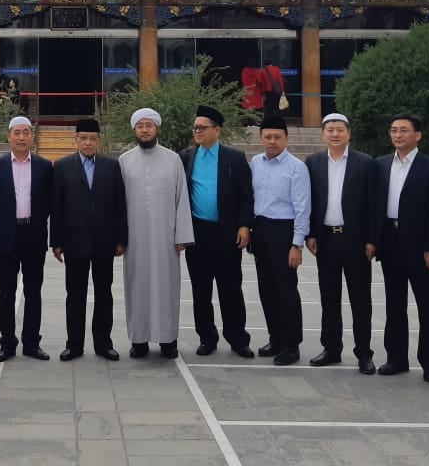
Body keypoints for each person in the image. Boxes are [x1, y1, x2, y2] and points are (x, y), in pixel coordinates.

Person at [373, 113, 429, 383]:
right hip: (390, 241)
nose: (397, 135)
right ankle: (396, 358)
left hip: (420, 245)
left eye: (404, 130)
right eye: (393, 130)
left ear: (418, 135)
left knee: (427, 305)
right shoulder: (380, 165)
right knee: (394, 303)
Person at [304, 112, 378, 374]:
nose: (335, 134)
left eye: (340, 129)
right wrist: (310, 234)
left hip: (356, 240)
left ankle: (364, 353)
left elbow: (373, 204)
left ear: (348, 133)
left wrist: (372, 239)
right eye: (330, 129)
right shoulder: (312, 162)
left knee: (360, 299)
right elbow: (309, 202)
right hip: (325, 240)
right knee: (329, 298)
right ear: (323, 134)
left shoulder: (365, 163)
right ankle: (331, 348)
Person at [180, 105, 254, 358]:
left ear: (217, 130)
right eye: (195, 128)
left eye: (202, 127)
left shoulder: (234, 157)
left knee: (231, 288)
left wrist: (245, 225)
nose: (197, 132)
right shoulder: (187, 156)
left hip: (227, 232)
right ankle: (207, 337)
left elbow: (246, 194)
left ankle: (238, 338)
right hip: (197, 233)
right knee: (201, 290)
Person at [50, 118, 128, 362]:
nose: (87, 142)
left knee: (104, 293)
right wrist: (56, 241)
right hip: (74, 240)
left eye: (92, 138)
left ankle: (103, 343)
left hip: (105, 240)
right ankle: (74, 344)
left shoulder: (111, 166)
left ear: (98, 140)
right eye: (83, 138)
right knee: (75, 294)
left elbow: (120, 204)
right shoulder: (62, 167)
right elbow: (57, 206)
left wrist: (121, 238)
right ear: (76, 140)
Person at [120, 108, 194, 359]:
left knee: (167, 287)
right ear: (134, 130)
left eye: (149, 125)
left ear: (157, 129)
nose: (144, 129)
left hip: (166, 238)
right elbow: (118, 203)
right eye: (140, 125)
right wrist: (119, 237)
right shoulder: (124, 161)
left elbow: (182, 197)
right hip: (135, 239)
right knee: (136, 286)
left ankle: (167, 339)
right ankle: (138, 340)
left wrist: (182, 234)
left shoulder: (173, 160)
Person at [0, 116, 54, 362]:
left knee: (33, 291)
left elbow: (49, 203)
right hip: (7, 235)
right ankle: (7, 343)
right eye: (17, 133)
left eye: (26, 132)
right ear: (9, 136)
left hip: (34, 234)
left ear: (32, 136)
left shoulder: (45, 166)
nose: (22, 137)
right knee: (7, 291)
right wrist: (5, 223)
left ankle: (32, 343)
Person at [248, 116, 310, 366]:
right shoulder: (255, 163)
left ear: (286, 138)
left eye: (277, 137)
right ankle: (275, 338)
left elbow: (303, 207)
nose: (272, 141)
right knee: (266, 288)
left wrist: (297, 244)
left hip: (284, 232)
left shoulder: (296, 167)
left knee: (286, 290)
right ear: (261, 138)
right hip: (261, 229)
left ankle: (291, 344)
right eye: (267, 137)